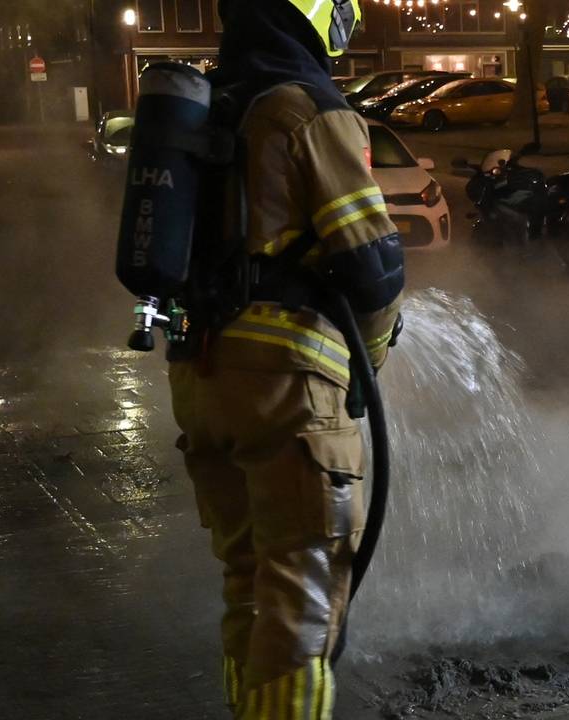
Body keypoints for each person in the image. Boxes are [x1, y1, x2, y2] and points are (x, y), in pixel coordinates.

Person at [167, 1, 403, 717]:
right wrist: (368, 362)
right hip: (288, 387)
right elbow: (373, 265)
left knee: (249, 585)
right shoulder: (306, 108)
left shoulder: (212, 110)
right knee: (301, 603)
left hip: (200, 377)